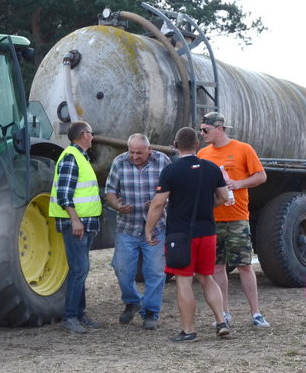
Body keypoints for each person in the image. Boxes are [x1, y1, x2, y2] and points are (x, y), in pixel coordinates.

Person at [146, 127, 230, 342]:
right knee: (207, 277)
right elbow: (223, 196)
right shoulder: (212, 168)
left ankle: (189, 330)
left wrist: (148, 230)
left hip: (180, 235)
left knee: (184, 281)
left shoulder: (171, 171)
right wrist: (206, 206)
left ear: (175, 146)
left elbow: (157, 205)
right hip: (208, 233)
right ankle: (221, 321)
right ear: (197, 145)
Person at [196, 111, 270, 329]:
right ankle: (224, 312)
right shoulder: (202, 154)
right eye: (201, 130)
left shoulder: (243, 149)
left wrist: (238, 184)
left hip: (237, 217)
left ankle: (255, 313)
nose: (202, 134)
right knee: (218, 267)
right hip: (213, 218)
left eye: (205, 130)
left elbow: (261, 176)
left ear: (220, 128)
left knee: (245, 266)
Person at [105, 133, 171, 330]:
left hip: (156, 227)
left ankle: (151, 312)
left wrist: (162, 202)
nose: (134, 156)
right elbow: (109, 191)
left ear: (149, 150)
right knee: (121, 268)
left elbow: (174, 189)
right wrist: (117, 204)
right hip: (128, 226)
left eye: (139, 153)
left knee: (155, 272)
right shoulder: (119, 162)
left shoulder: (163, 161)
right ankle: (133, 301)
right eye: (131, 152)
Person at [49, 121, 103, 334]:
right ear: (83, 135)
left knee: (82, 268)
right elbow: (64, 193)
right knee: (79, 269)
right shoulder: (71, 158)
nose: (93, 136)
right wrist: (75, 220)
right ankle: (70, 316)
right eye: (91, 133)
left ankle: (80, 314)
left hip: (86, 222)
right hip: (77, 224)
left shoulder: (81, 157)